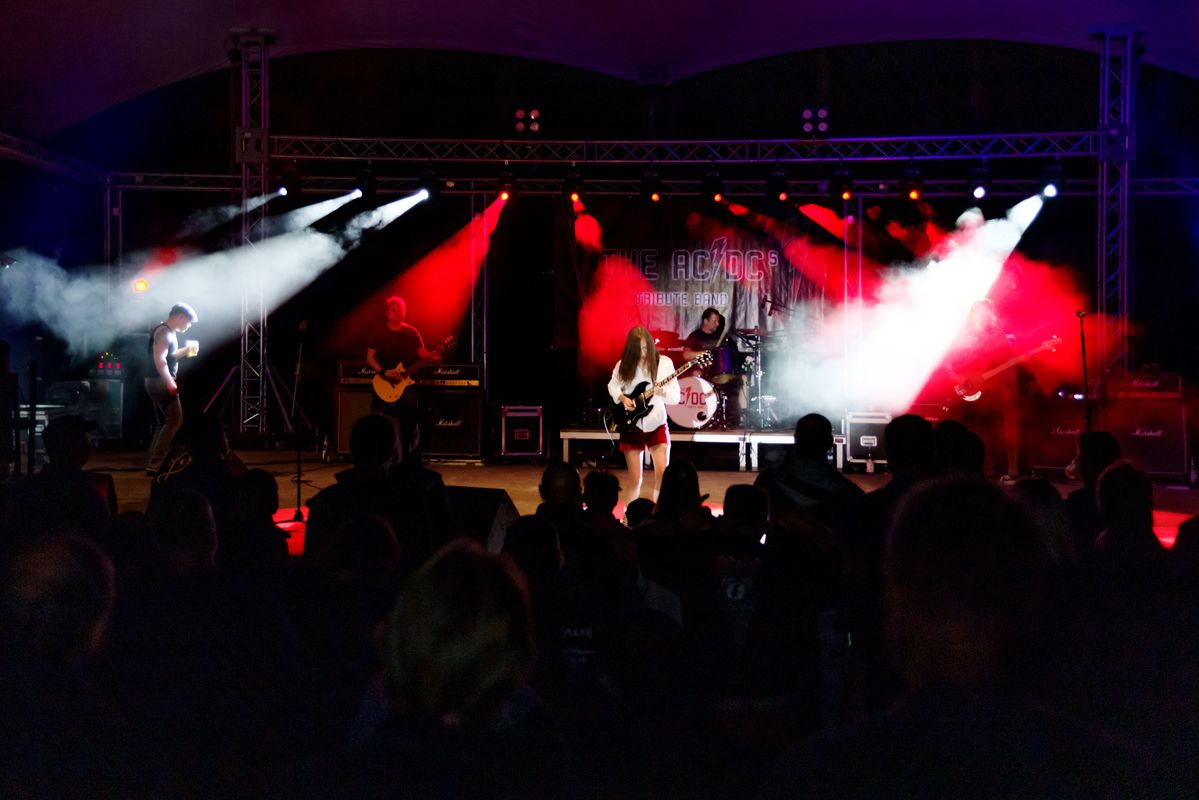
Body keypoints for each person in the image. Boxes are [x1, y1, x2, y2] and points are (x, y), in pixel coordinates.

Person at [944, 298, 1020, 478]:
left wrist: (1007, 388)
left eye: (985, 312)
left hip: (991, 391)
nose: (982, 316)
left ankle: (994, 473)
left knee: (994, 433)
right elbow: (946, 362)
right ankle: (961, 471)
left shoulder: (997, 335)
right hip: (964, 391)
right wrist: (957, 378)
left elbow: (1007, 363)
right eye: (978, 312)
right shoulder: (963, 335)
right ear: (973, 315)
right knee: (963, 430)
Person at [607, 326, 680, 505]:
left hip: (657, 423)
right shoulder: (623, 364)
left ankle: (658, 514)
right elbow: (612, 385)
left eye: (646, 348)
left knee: (663, 475)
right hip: (632, 426)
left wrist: (663, 392)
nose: (643, 353)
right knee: (635, 480)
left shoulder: (664, 363)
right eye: (638, 349)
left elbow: (676, 398)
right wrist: (622, 398)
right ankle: (628, 516)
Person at [365, 296, 435, 457]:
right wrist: (383, 372)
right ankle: (381, 455)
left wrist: (434, 356)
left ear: (405, 312)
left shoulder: (412, 332)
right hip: (384, 382)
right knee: (380, 420)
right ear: (387, 313)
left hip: (407, 384)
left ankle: (406, 454)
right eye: (393, 310)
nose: (397, 312)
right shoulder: (379, 332)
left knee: (408, 420)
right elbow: (369, 358)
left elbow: (424, 355)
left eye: (400, 310)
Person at [145, 302, 199, 476]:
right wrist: (169, 382)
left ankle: (152, 462)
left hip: (154, 381)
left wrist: (187, 351)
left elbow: (170, 356)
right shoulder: (164, 332)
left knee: (164, 423)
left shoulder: (167, 332)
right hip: (159, 381)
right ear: (180, 317)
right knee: (175, 420)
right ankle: (155, 464)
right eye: (188, 322)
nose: (188, 326)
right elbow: (160, 359)